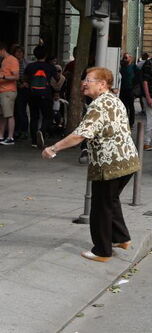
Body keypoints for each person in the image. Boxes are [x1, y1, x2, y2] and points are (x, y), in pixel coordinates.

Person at [41, 67, 140, 262]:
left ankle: (102, 251)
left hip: (109, 164)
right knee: (110, 200)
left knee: (100, 207)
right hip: (128, 161)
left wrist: (53, 148)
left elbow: (79, 135)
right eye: (85, 79)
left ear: (102, 84)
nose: (84, 83)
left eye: (89, 80)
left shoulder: (98, 105)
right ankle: (121, 238)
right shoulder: (114, 100)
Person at [23, 45, 54, 148]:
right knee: (47, 116)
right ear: (46, 55)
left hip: (32, 94)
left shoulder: (30, 66)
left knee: (34, 117)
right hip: (46, 94)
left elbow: (25, 79)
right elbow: (56, 79)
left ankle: (34, 142)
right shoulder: (49, 66)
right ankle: (42, 131)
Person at [0, 42, 19, 145]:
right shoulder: (4, 61)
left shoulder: (12, 60)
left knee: (9, 114)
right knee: (3, 114)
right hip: (3, 91)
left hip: (8, 91)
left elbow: (16, 77)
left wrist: (3, 77)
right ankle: (1, 136)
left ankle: (10, 137)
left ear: (2, 50)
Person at [118, 52, 137, 127]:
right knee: (123, 106)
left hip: (130, 89)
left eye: (126, 58)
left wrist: (134, 86)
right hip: (122, 89)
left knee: (131, 106)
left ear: (130, 58)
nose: (124, 59)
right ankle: (123, 121)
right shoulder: (121, 67)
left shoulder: (133, 67)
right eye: (124, 58)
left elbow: (138, 77)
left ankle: (131, 122)